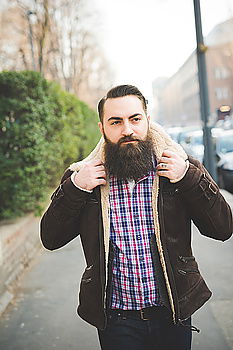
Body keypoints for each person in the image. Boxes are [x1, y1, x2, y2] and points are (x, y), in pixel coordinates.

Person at [40, 85, 232, 350]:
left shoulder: (178, 168)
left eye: (135, 119)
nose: (127, 129)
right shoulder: (85, 177)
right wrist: (76, 188)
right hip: (116, 319)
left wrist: (189, 177)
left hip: (173, 313)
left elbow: (222, 229)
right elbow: (50, 239)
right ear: (102, 128)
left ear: (148, 121)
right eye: (115, 122)